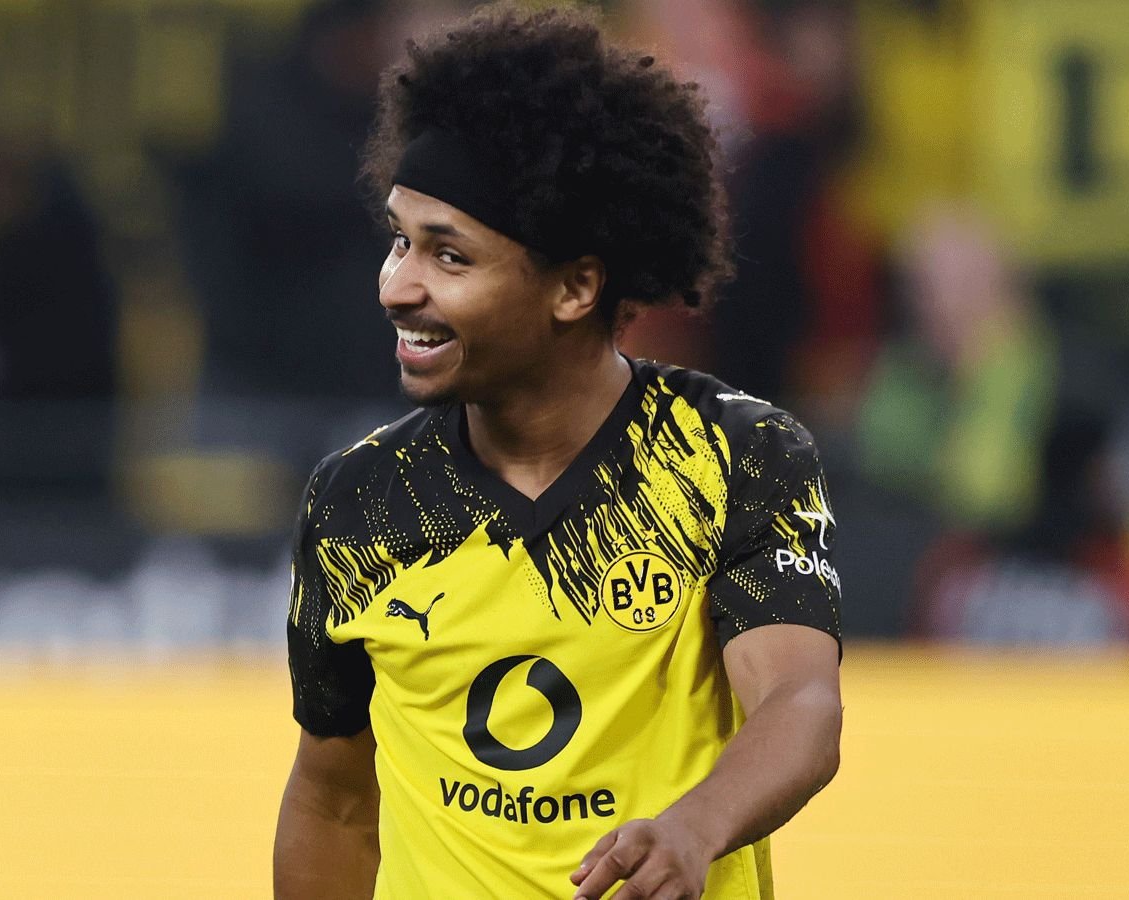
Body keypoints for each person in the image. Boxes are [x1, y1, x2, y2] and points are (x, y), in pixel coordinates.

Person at [275, 6, 843, 899]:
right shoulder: (362, 505)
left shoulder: (735, 456)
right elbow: (335, 804)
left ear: (576, 286)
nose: (396, 286)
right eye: (399, 239)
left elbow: (800, 705)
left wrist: (693, 828)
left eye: (449, 256)